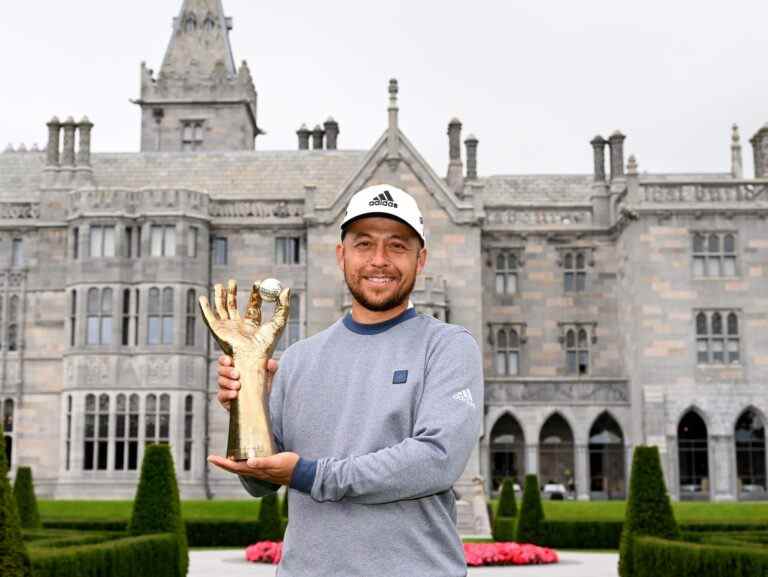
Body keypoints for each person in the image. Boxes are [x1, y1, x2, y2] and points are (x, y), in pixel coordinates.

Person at [209, 183, 483, 577]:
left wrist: (310, 474)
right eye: (364, 244)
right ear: (341, 255)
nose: (379, 260)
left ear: (421, 260)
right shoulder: (299, 359)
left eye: (398, 246)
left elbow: (435, 461)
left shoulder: (447, 347)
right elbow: (260, 483)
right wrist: (249, 409)